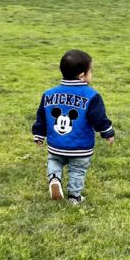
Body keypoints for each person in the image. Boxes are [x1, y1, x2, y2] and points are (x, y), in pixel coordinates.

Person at [32, 49, 115, 205]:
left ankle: (55, 178)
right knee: (77, 170)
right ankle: (74, 197)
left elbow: (41, 116)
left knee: (54, 161)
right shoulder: (91, 95)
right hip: (80, 147)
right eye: (91, 71)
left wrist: (38, 134)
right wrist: (107, 132)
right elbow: (99, 118)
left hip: (56, 144)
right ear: (82, 75)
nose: (92, 74)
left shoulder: (49, 94)